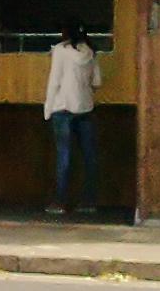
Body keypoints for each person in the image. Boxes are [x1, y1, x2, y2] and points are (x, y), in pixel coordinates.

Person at [44, 20, 102, 215]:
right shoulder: (91, 51)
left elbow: (54, 80)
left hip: (62, 107)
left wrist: (48, 108)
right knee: (89, 157)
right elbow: (97, 81)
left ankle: (60, 201)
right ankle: (89, 201)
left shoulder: (60, 50)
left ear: (65, 32)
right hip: (86, 108)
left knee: (64, 156)